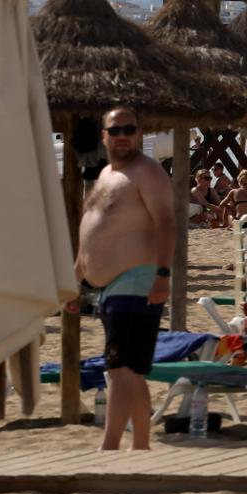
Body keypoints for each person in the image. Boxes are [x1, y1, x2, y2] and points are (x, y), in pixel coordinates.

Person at [75, 107, 173, 451]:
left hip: (138, 281)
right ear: (103, 135)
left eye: (129, 129)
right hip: (112, 287)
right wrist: (77, 281)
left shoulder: (147, 172)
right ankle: (142, 445)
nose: (122, 136)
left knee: (119, 369)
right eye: (115, 130)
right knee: (129, 369)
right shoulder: (104, 175)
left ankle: (110, 446)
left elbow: (166, 223)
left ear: (140, 132)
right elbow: (91, 233)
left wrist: (163, 274)